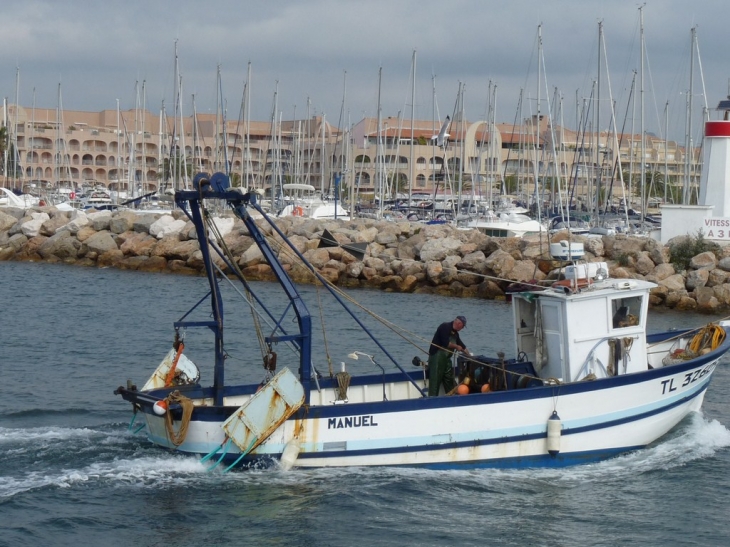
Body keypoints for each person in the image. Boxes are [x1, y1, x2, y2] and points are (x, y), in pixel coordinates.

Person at [427, 315, 471, 396]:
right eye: (463, 326)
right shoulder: (445, 327)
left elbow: (462, 346)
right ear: (459, 323)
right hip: (437, 358)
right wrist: (456, 346)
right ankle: (432, 399)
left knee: (449, 380)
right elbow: (446, 343)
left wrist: (469, 356)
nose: (463, 328)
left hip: (446, 360)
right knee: (435, 381)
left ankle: (452, 397)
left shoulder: (455, 334)